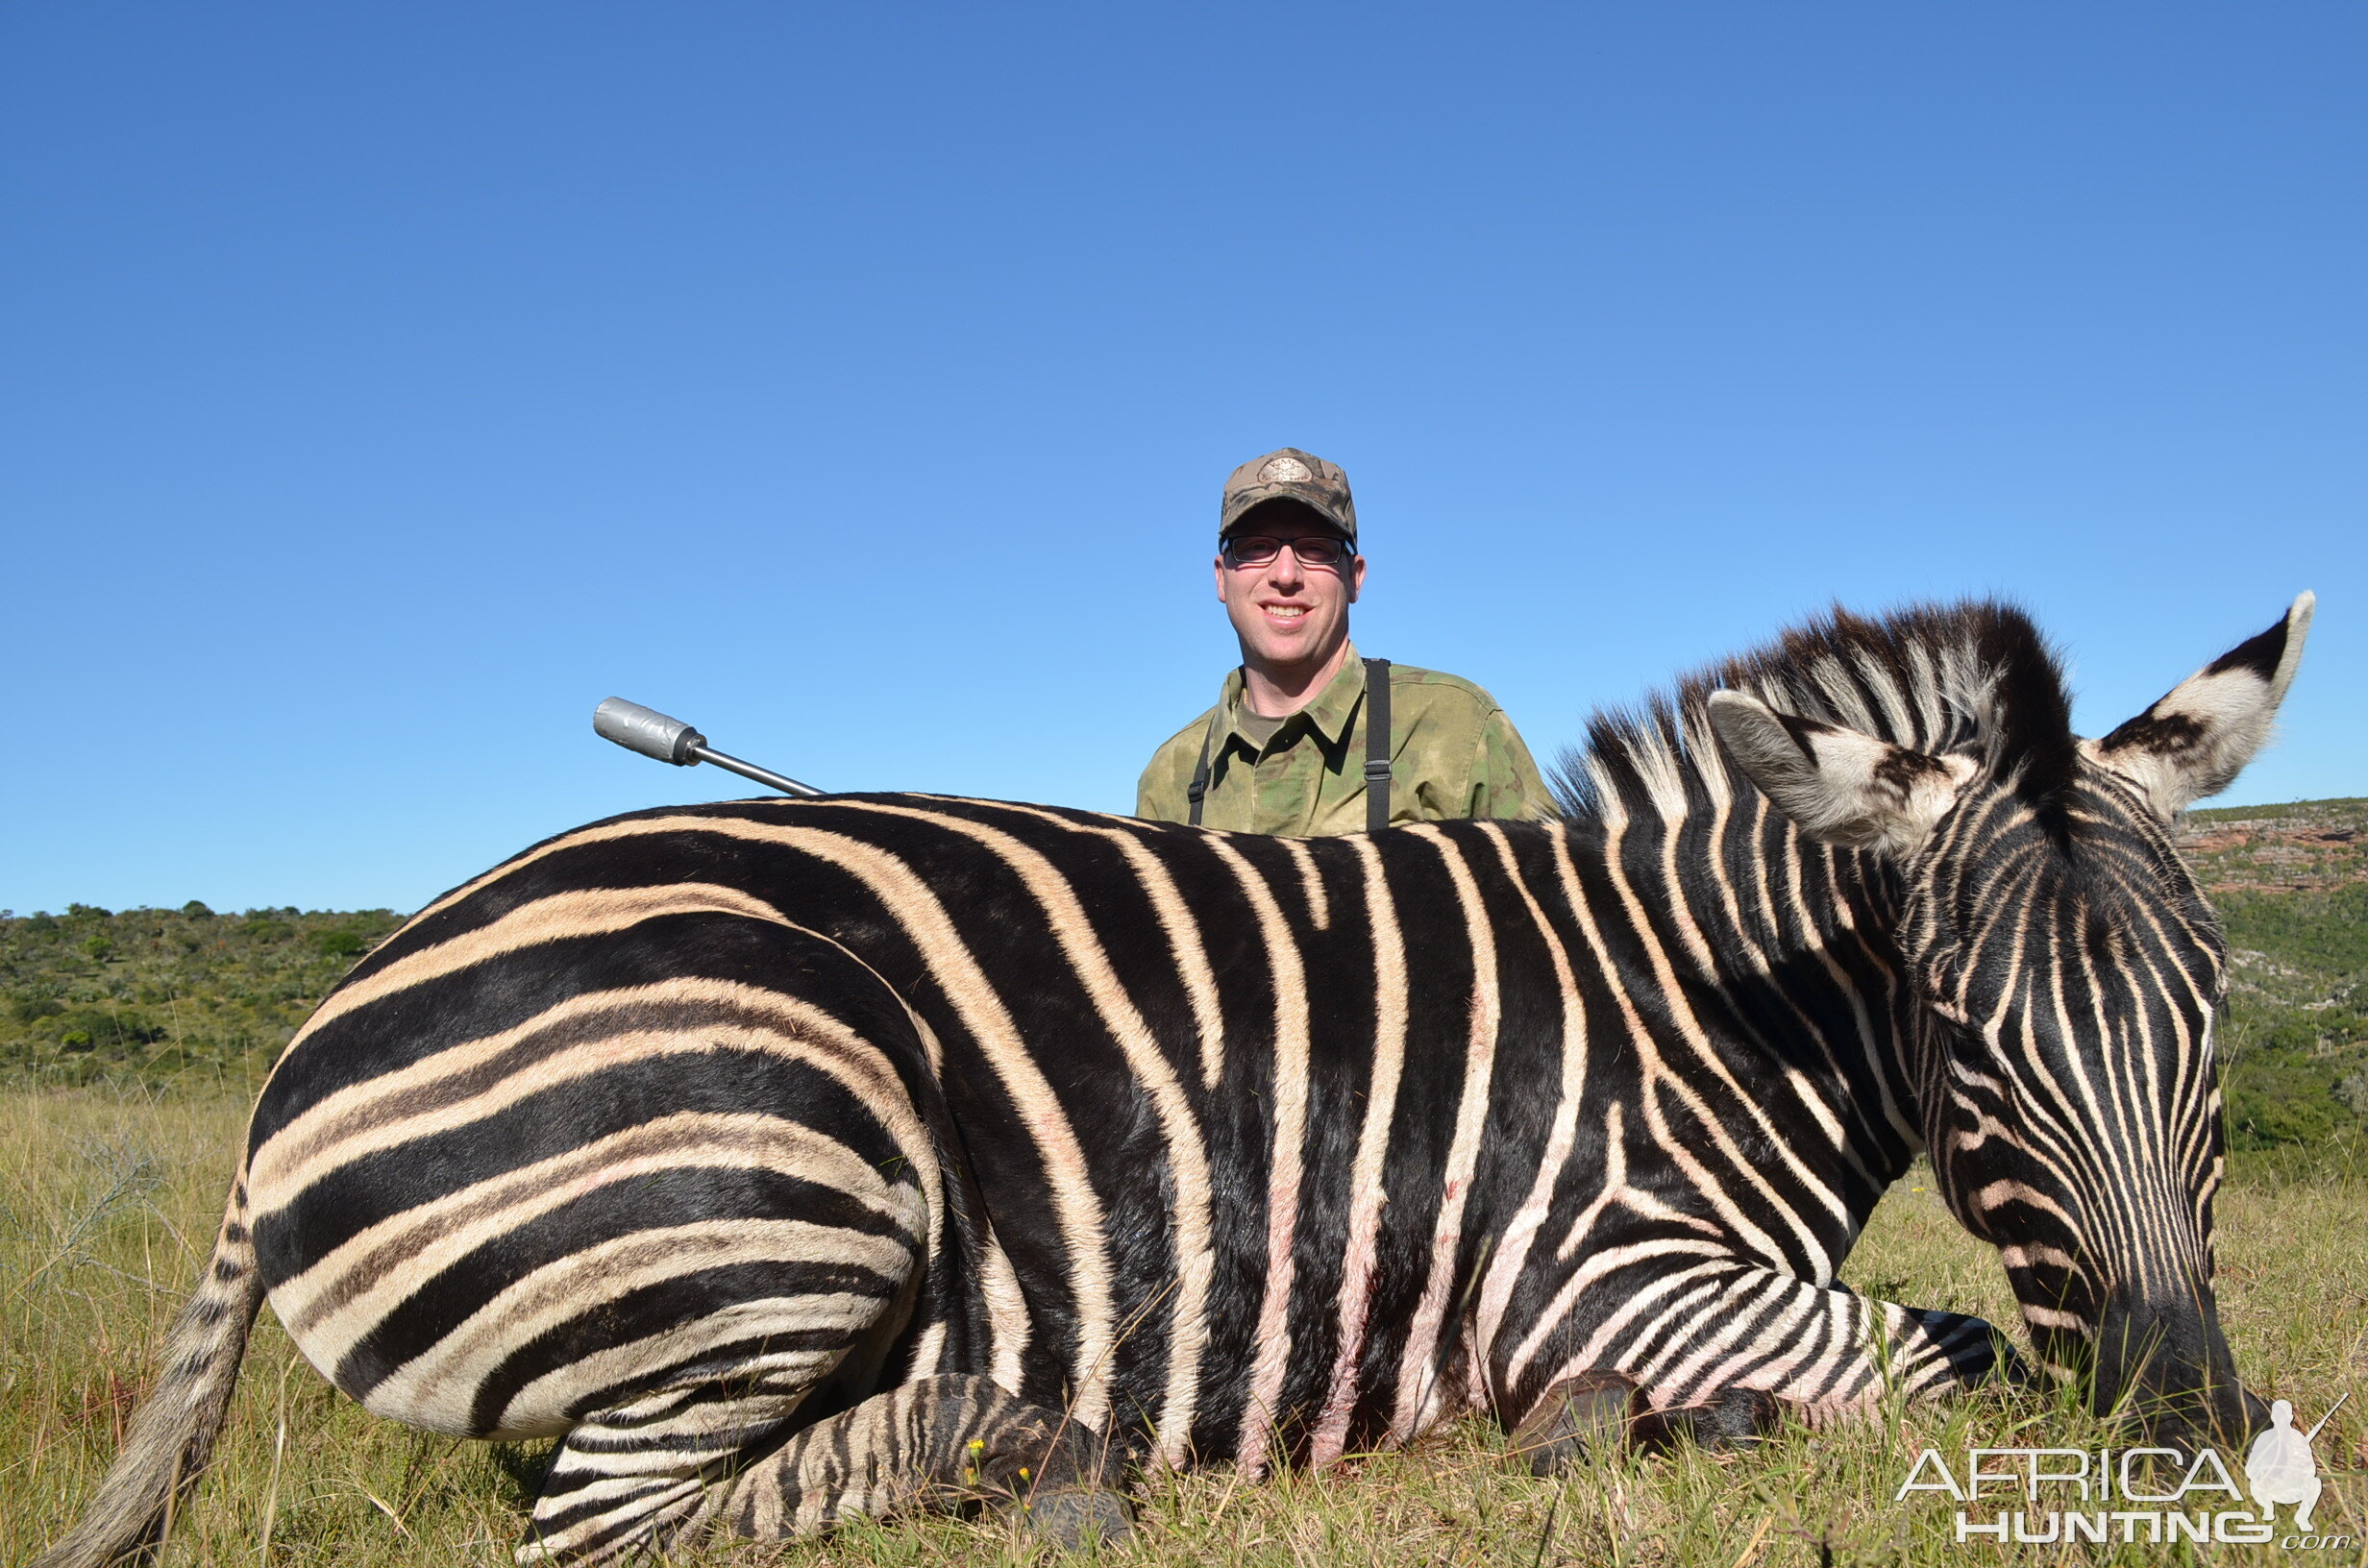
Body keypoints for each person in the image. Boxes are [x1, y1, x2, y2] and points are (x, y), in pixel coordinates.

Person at [1138, 447, 1550, 835]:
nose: (1285, 574)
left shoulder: (1458, 729)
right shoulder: (1171, 775)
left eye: (1316, 549)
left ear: (1355, 577)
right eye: (1255, 547)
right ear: (1220, 577)